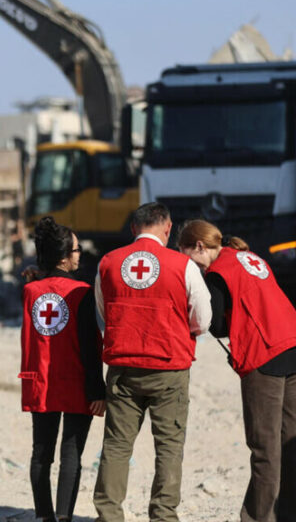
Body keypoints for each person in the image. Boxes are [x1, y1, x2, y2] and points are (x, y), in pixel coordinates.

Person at [178, 219, 296, 522]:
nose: (191, 266)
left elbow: (215, 324)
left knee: (265, 447)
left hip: (264, 354)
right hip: (294, 348)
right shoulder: (249, 257)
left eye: (188, 256)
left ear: (199, 247)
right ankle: (292, 515)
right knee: (294, 440)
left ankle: (256, 518)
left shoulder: (217, 272)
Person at [92, 202, 212, 522]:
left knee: (117, 446)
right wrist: (186, 331)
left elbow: (104, 313)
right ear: (168, 228)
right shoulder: (182, 265)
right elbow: (203, 316)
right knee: (169, 447)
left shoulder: (107, 262)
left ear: (133, 229)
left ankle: (109, 515)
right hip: (169, 367)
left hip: (123, 368)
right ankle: (163, 516)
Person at [20, 216, 106, 522]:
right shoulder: (82, 292)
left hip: (41, 381)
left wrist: (36, 276)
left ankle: (44, 517)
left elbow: (44, 287)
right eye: (77, 249)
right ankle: (64, 517)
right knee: (71, 456)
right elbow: (89, 345)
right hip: (76, 383)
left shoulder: (30, 291)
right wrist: (98, 390)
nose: (80, 253)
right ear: (64, 256)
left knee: (41, 453)